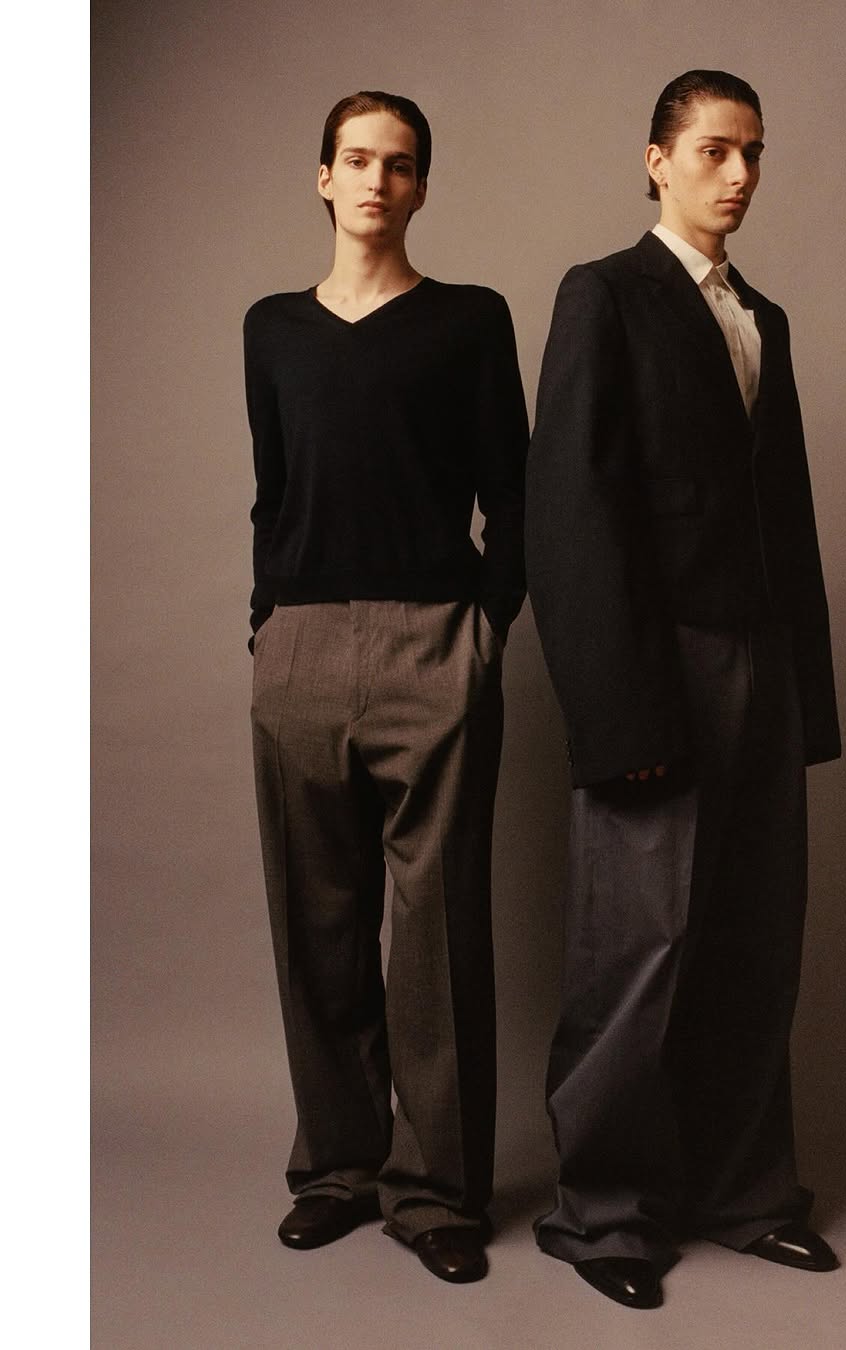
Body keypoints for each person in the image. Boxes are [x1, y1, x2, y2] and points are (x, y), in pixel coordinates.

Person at [525, 69, 842, 1310]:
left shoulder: (765, 316)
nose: (741, 174)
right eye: (715, 149)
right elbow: (570, 515)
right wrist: (619, 715)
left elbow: (786, 517)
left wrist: (805, 698)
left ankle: (746, 1195)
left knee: (754, 940)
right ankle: (603, 1215)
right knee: (637, 947)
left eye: (754, 151)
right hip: (656, 672)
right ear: (657, 160)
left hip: (760, 667)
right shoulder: (604, 294)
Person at [244, 90, 527, 1285]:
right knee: (316, 925)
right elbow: (273, 491)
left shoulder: (469, 319)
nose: (375, 180)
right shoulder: (271, 328)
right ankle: (337, 1170)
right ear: (323, 176)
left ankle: (437, 1191)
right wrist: (267, 624)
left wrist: (484, 630)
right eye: (356, 159)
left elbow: (512, 493)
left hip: (433, 643)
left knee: (437, 932)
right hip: (299, 648)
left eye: (399, 164)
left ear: (421, 188)